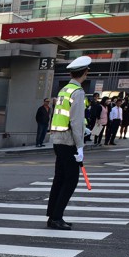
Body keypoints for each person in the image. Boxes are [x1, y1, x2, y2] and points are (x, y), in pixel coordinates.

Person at [44, 56, 90, 232]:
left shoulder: (65, 89)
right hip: (69, 140)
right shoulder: (78, 92)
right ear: (84, 73)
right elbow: (76, 121)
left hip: (58, 138)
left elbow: (64, 116)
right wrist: (80, 146)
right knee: (70, 180)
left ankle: (53, 215)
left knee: (59, 178)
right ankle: (57, 217)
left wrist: (83, 129)